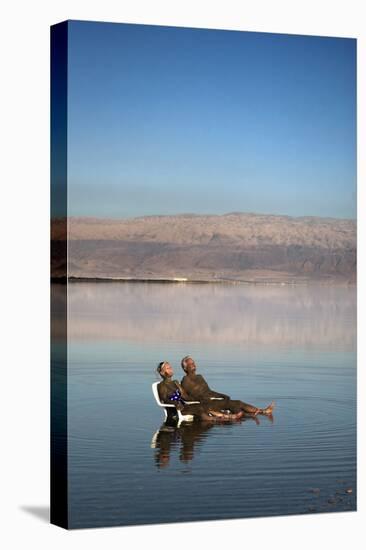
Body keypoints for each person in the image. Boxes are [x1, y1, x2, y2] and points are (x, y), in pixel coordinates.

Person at [180, 356, 275, 416]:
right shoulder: (185, 380)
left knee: (232, 403)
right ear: (185, 367)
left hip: (212, 400)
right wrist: (208, 399)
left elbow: (209, 391)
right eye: (191, 363)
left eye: (194, 362)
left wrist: (222, 395)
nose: (194, 364)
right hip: (205, 403)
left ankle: (255, 413)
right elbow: (191, 396)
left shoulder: (200, 377)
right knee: (238, 403)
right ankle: (263, 411)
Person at [156, 361, 244, 422]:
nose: (171, 369)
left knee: (204, 405)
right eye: (168, 368)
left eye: (170, 367)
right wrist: (175, 403)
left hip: (184, 405)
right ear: (162, 372)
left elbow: (185, 396)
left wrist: (199, 399)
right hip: (177, 409)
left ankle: (225, 416)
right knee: (199, 409)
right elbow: (163, 399)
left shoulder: (175, 382)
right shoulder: (162, 385)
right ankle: (218, 419)